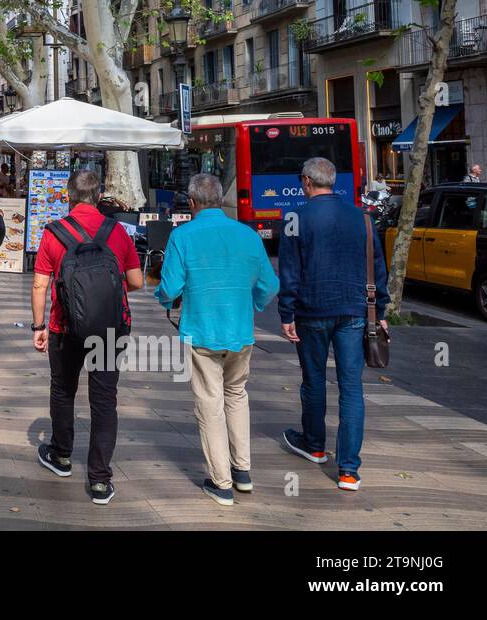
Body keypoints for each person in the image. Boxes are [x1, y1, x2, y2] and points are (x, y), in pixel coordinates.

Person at [155, 173, 280, 506]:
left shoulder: (183, 236)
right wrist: (251, 303)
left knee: (209, 402)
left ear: (192, 203)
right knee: (236, 394)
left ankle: (220, 481)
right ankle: (243, 472)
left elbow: (169, 288)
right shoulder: (247, 235)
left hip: (202, 331)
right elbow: (270, 285)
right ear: (220, 201)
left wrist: (167, 301)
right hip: (240, 330)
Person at [31, 169, 144, 505]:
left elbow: (40, 284)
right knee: (104, 400)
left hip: (64, 328)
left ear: (68, 195)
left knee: (63, 390)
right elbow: (137, 281)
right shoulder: (118, 232)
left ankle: (61, 456)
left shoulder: (53, 233)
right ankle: (99, 480)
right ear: (98, 197)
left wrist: (38, 327)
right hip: (110, 328)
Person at [278, 157, 389, 492]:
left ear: (307, 182)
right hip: (355, 311)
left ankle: (314, 445)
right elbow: (377, 267)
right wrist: (381, 310)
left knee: (313, 381)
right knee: (351, 387)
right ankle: (349, 471)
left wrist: (287, 314)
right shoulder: (363, 219)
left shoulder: (295, 218)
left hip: (311, 312)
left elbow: (290, 272)